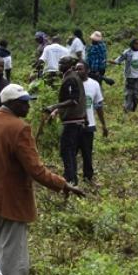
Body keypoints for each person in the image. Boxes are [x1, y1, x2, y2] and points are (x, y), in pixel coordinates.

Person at [0, 84, 84, 275]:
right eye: (24, 102)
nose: (29, 107)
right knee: (12, 255)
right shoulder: (19, 128)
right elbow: (35, 169)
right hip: (10, 201)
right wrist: (63, 184)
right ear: (12, 103)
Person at [44, 56, 86, 186]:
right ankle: (71, 178)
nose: (59, 65)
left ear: (69, 65)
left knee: (66, 151)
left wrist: (55, 106)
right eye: (59, 62)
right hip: (75, 120)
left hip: (72, 121)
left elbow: (73, 100)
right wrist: (57, 111)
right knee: (70, 151)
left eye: (62, 63)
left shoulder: (71, 78)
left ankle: (70, 180)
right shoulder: (71, 77)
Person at [76, 62, 108, 184]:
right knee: (71, 153)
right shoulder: (72, 83)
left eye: (81, 69)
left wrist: (103, 125)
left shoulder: (94, 85)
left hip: (89, 125)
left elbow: (98, 106)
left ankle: (88, 177)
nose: (78, 71)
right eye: (76, 69)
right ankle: (71, 179)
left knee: (87, 153)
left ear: (87, 70)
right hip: (73, 124)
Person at [110, 38, 138, 112]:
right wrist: (111, 61)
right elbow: (118, 61)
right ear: (132, 44)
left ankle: (134, 109)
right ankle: (126, 110)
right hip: (130, 77)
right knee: (128, 94)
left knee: (136, 94)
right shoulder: (127, 52)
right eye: (136, 44)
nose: (137, 45)